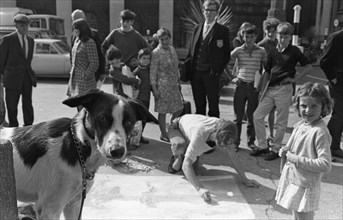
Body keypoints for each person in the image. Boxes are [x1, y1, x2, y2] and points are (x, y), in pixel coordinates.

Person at [251, 22, 312, 161]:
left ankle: (276, 148)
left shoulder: (295, 51)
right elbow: (267, 70)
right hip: (271, 88)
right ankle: (262, 146)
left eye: (285, 36)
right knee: (257, 116)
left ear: (290, 37)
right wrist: (261, 89)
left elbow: (308, 66)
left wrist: (296, 79)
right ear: (277, 36)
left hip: (284, 88)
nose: (282, 39)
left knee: (281, 121)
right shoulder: (272, 50)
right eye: (280, 35)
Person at [167, 114, 259, 202]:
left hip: (192, 131)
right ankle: (178, 155)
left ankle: (187, 150)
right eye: (222, 144)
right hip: (177, 126)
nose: (224, 147)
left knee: (193, 172)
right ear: (217, 134)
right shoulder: (200, 134)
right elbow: (186, 166)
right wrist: (200, 189)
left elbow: (233, 157)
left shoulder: (225, 130)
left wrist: (245, 179)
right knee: (178, 163)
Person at [276, 82, 333, 220]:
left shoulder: (319, 132)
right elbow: (292, 148)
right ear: (297, 105)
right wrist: (284, 151)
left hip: (306, 185)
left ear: (324, 107)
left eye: (314, 106)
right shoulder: (302, 124)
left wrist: (294, 158)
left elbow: (325, 165)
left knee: (303, 217)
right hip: (295, 179)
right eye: (303, 106)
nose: (308, 110)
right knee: (296, 215)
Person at [186, 0, 230, 118]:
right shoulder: (197, 28)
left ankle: (214, 133)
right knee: (199, 106)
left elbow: (226, 54)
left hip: (211, 75)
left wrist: (217, 71)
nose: (209, 12)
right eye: (206, 10)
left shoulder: (222, 30)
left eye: (212, 10)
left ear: (217, 12)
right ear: (203, 11)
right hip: (196, 74)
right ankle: (200, 133)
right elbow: (191, 50)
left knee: (213, 107)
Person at [230, 24, 267, 151]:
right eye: (246, 37)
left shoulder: (261, 51)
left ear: (256, 36)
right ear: (242, 36)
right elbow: (226, 61)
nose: (249, 39)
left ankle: (251, 142)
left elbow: (266, 69)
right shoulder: (238, 51)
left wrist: (261, 85)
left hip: (253, 87)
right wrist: (232, 77)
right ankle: (235, 142)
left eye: (251, 37)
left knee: (252, 117)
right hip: (240, 86)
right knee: (237, 117)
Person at [0, 14, 37, 127]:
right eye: (22, 25)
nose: (25, 28)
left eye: (27, 25)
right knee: (12, 106)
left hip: (27, 78)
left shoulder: (31, 41)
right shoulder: (7, 40)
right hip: (12, 79)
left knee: (28, 105)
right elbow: (1, 60)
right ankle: (13, 129)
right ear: (16, 26)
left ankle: (29, 128)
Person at [150, 27, 183, 142]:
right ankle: (163, 134)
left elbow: (176, 67)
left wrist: (178, 82)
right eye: (162, 39)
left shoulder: (171, 49)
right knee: (162, 111)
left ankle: (170, 128)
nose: (164, 42)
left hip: (173, 85)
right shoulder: (156, 53)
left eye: (166, 39)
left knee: (178, 108)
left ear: (170, 38)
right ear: (158, 40)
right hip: (162, 86)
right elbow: (153, 72)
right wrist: (154, 89)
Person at [257, 17, 281, 147]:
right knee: (259, 111)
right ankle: (259, 137)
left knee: (272, 110)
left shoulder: (279, 44)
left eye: (274, 31)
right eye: (269, 31)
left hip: (275, 80)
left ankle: (270, 134)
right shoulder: (261, 45)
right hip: (263, 80)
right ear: (265, 31)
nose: (271, 34)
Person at [320, 29, 343, 158]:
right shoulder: (336, 37)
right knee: (339, 114)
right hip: (338, 83)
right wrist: (332, 78)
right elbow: (324, 61)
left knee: (341, 116)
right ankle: (322, 145)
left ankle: (334, 146)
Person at [67, 18, 99, 105]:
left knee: (85, 106)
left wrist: (85, 75)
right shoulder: (77, 41)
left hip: (85, 81)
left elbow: (94, 63)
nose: (74, 31)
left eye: (76, 28)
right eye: (73, 28)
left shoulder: (89, 42)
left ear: (82, 29)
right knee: (78, 105)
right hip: (75, 79)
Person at [71, 9, 106, 87]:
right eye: (73, 19)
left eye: (76, 19)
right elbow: (72, 53)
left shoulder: (93, 35)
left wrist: (102, 72)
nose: (74, 22)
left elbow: (100, 54)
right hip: (76, 75)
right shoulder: (74, 35)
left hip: (90, 74)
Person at [132, 48, 152, 145]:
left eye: (148, 58)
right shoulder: (137, 71)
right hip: (139, 99)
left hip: (147, 97)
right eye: (144, 58)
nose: (146, 61)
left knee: (144, 118)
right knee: (138, 118)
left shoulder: (149, 69)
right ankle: (134, 138)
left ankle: (140, 135)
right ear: (139, 59)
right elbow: (133, 85)